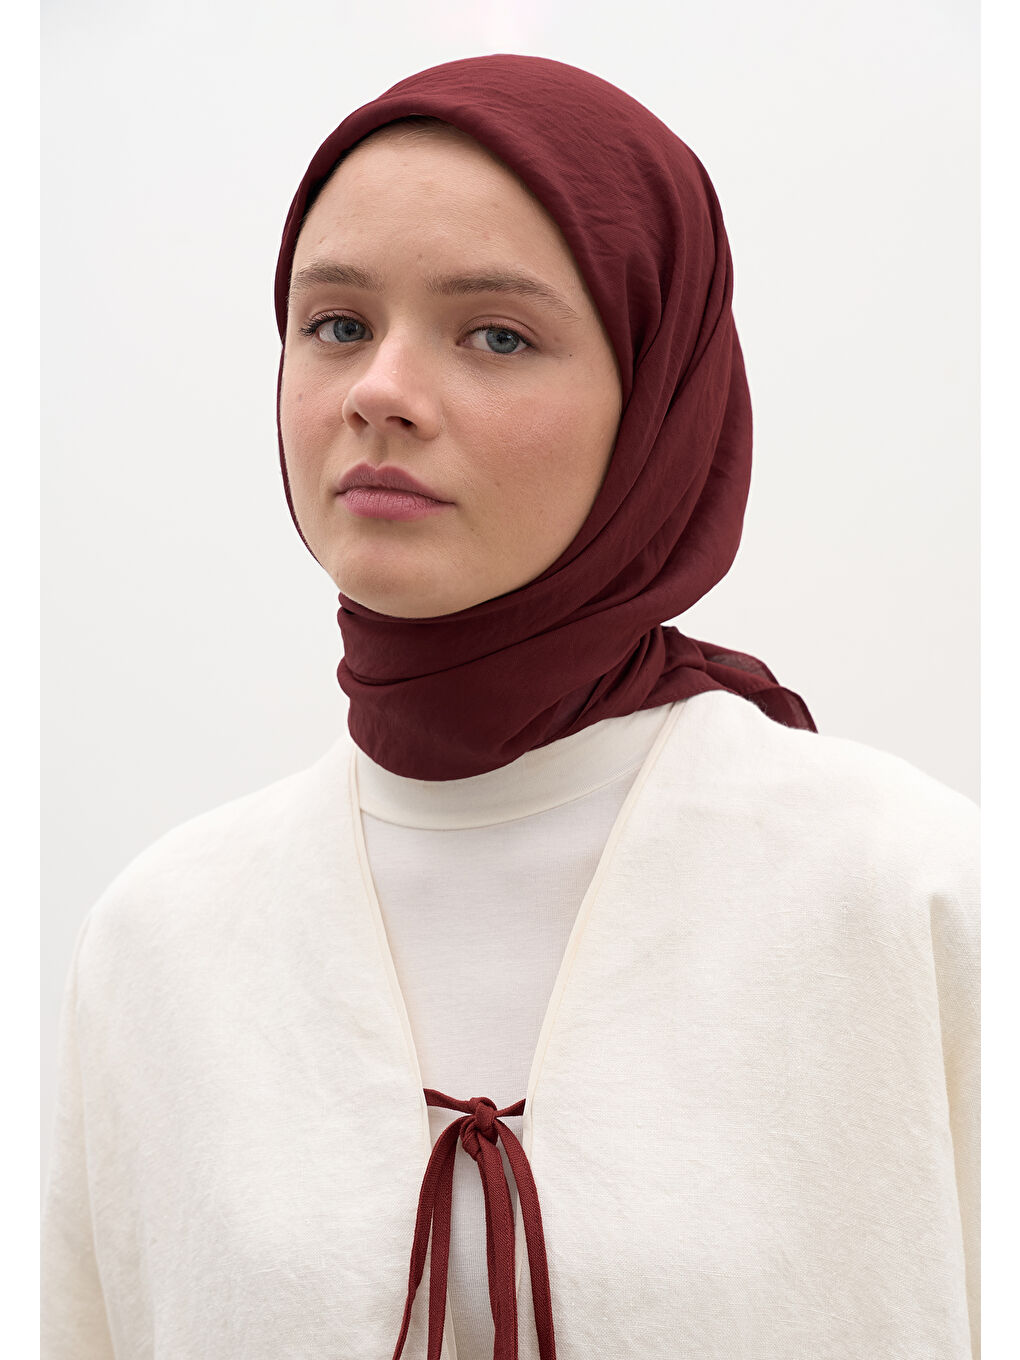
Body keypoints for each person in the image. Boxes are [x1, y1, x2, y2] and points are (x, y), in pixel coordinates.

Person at [41, 54, 979, 1360]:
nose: (379, 390)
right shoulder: (160, 942)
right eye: (337, 324)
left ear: (658, 398)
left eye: (496, 335)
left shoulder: (910, 894)